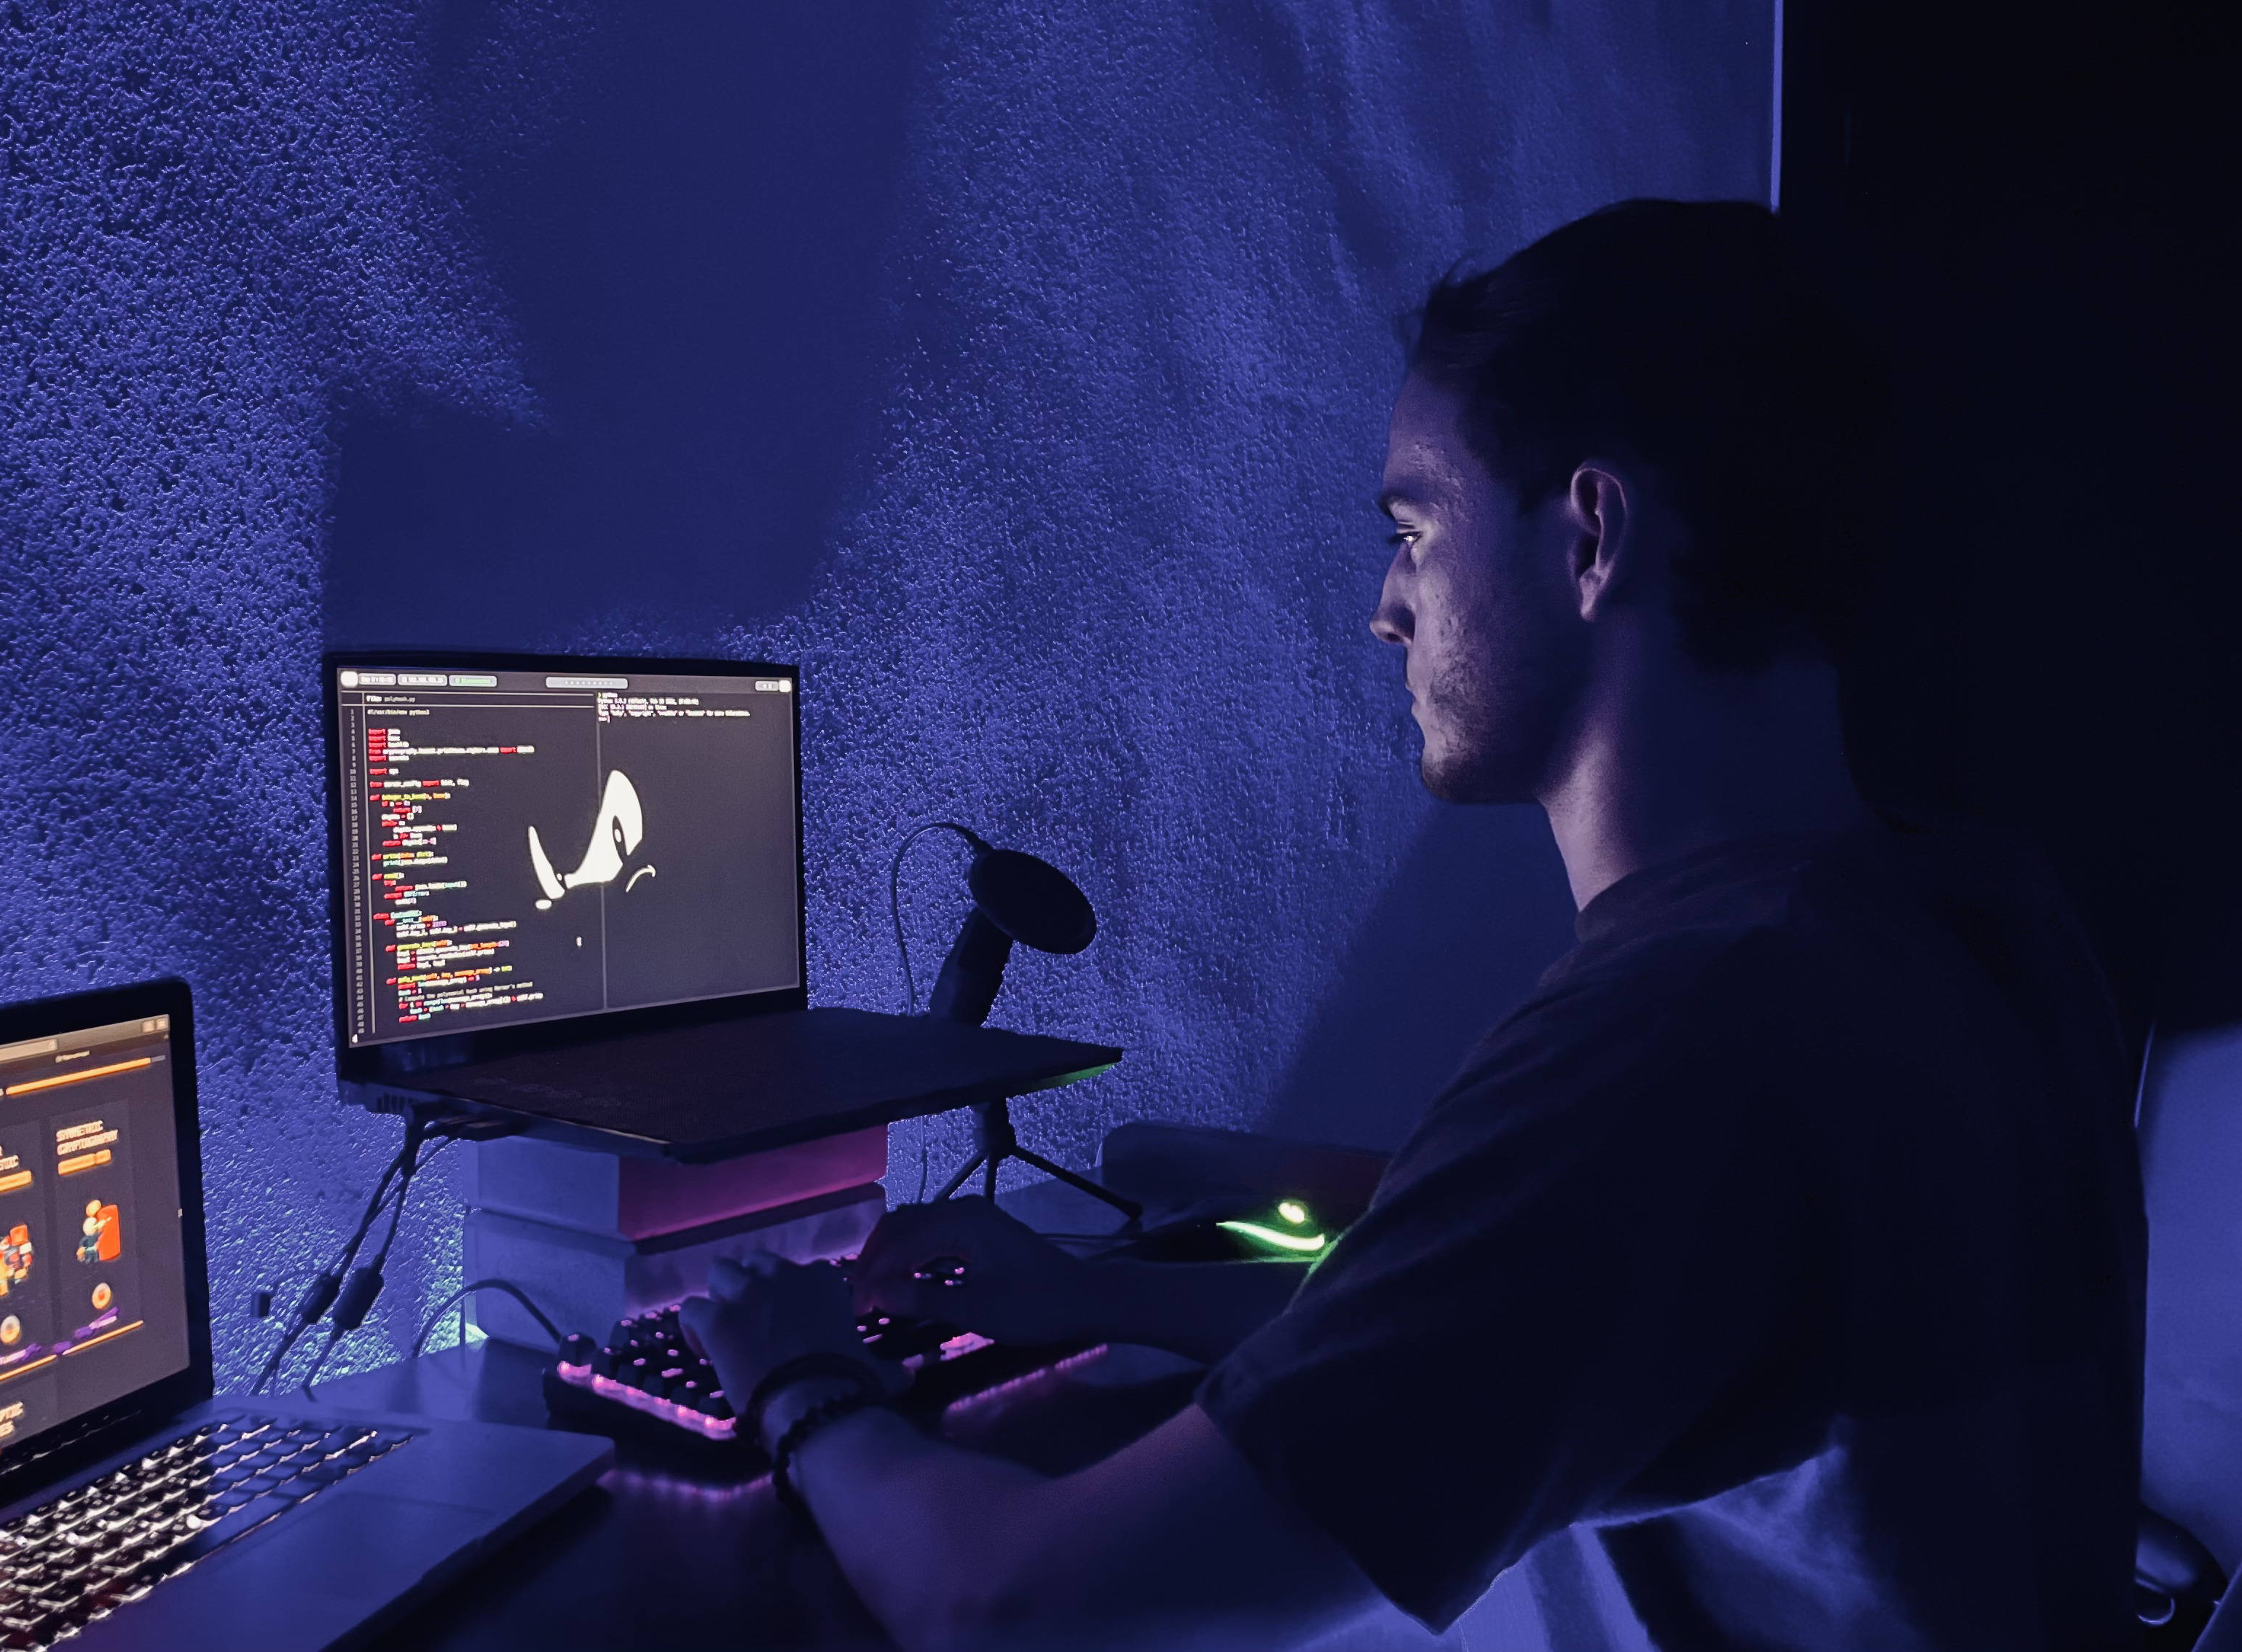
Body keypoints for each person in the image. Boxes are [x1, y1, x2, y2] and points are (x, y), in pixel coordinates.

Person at [681, 200, 2144, 1651]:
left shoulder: (1688, 1029)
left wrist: (800, 1379)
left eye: (1415, 529)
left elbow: (1008, 1604)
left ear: (1591, 536)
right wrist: (1093, 1291)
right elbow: (1539, 1323)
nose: (1388, 609)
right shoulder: (1971, 914)